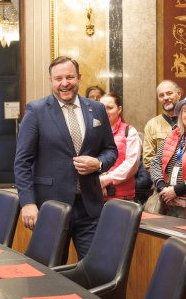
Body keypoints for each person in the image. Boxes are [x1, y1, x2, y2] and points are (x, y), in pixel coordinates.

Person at [14, 56, 118, 262]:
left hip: (90, 207)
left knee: (95, 270)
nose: (65, 83)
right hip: (50, 207)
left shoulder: (97, 109)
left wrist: (98, 164)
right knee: (50, 273)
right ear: (51, 81)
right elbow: (22, 162)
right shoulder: (36, 110)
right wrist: (27, 203)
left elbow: (110, 150)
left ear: (79, 78)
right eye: (58, 78)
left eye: (70, 77)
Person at [150, 94, 186, 219]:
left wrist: (176, 190)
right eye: (185, 110)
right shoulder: (173, 135)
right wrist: (162, 189)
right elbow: (156, 162)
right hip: (167, 202)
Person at [99, 92, 141, 201]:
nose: (105, 112)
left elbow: (131, 164)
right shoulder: (93, 132)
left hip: (122, 198)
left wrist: (104, 181)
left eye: (110, 108)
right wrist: (97, 182)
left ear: (119, 109)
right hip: (98, 195)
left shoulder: (130, 132)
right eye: (102, 108)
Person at [142, 80, 182, 172]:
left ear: (179, 95)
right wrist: (161, 181)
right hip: (164, 182)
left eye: (169, 93)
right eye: (161, 95)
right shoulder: (152, 125)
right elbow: (148, 161)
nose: (165, 98)